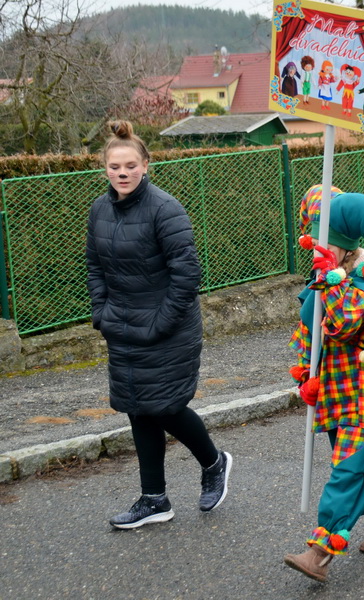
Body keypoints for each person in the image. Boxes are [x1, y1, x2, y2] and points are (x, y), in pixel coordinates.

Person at [86, 121, 232, 530]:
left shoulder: (165, 208)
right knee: (137, 408)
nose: (123, 173)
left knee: (165, 405)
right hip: (121, 325)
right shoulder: (99, 210)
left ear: (146, 165)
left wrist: (160, 323)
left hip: (169, 327)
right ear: (105, 169)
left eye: (130, 165)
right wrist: (101, 313)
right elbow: (94, 265)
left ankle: (214, 463)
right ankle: (154, 499)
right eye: (115, 167)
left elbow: (187, 274)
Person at [284, 193, 364, 583]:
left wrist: (329, 282)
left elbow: (344, 324)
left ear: (346, 247)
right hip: (336, 392)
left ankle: (320, 552)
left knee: (349, 469)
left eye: (326, 246)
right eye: (316, 246)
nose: (318, 253)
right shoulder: (323, 281)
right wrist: (306, 377)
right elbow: (308, 334)